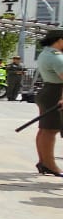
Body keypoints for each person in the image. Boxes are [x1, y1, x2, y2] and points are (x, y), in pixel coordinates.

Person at [33, 30, 63, 176]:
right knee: (51, 130)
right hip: (55, 93)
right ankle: (50, 165)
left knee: (44, 129)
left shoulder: (46, 53)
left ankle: (43, 162)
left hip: (48, 91)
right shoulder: (58, 58)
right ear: (60, 40)